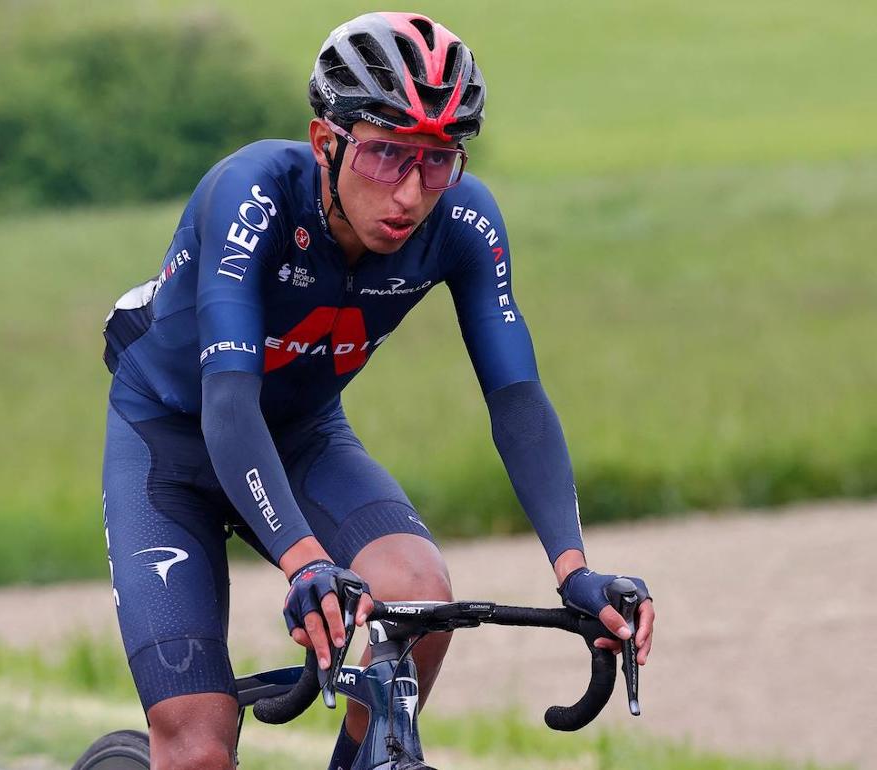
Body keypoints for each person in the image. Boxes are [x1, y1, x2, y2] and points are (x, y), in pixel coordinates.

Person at [101, 12, 654, 769]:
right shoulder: (252, 193)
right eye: (386, 154)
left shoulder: (463, 222)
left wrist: (574, 569)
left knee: (421, 596)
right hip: (171, 440)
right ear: (325, 141)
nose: (411, 193)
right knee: (197, 749)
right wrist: (303, 561)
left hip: (301, 437)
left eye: (437, 160)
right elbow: (227, 400)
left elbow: (516, 398)